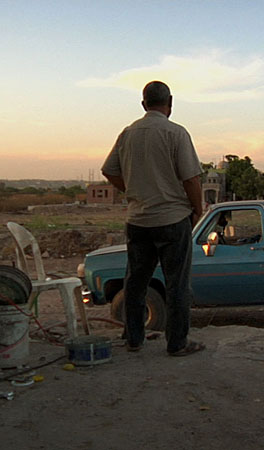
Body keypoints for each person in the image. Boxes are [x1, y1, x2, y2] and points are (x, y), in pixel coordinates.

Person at [101, 80, 205, 356]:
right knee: (177, 284)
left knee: (135, 282)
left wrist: (133, 190)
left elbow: (109, 171)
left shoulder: (128, 133)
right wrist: (198, 209)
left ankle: (134, 338)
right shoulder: (176, 133)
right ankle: (177, 343)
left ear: (143, 104)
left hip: (138, 221)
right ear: (170, 102)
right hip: (172, 219)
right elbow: (192, 179)